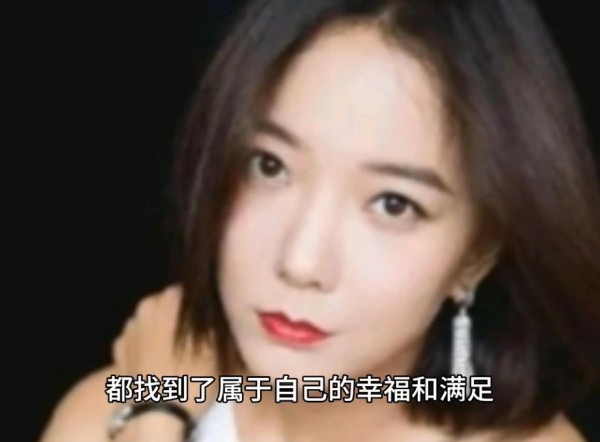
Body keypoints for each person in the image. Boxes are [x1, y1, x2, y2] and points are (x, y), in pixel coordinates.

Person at [41, 0, 600, 441]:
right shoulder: (99, 417)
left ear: (474, 256)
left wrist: (155, 419)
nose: (302, 262)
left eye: (393, 204)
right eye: (270, 166)